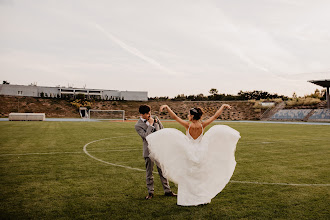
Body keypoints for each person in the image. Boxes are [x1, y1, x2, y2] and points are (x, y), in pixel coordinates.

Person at [146, 104, 240, 206]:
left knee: (187, 176)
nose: (187, 116)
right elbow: (215, 116)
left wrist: (167, 107)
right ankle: (200, 198)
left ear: (192, 116)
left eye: (188, 114)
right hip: (201, 151)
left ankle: (186, 199)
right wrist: (222, 106)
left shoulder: (188, 125)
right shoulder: (202, 125)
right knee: (199, 177)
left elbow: (175, 117)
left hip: (188, 152)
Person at [135, 104, 176, 200]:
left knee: (163, 171)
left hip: (158, 150)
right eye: (147, 113)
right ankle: (150, 192)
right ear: (142, 114)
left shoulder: (155, 118)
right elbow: (146, 136)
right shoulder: (137, 126)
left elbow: (162, 130)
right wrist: (150, 125)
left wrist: (155, 123)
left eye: (150, 112)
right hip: (148, 151)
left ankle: (167, 191)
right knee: (149, 173)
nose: (149, 115)